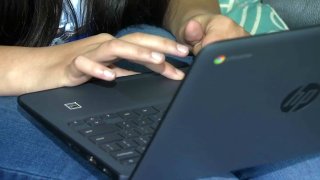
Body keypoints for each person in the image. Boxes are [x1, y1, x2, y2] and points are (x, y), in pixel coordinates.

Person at [0, 0, 319, 179]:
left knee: (300, 164)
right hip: (12, 78)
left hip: (121, 41)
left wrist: (197, 18)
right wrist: (43, 63)